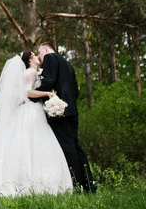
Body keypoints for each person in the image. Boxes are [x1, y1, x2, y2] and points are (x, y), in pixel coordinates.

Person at [0, 51, 73, 196]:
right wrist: (47, 94)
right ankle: (33, 183)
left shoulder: (29, 72)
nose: (37, 57)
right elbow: (27, 92)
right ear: (30, 60)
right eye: (34, 55)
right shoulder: (31, 72)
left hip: (26, 109)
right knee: (34, 143)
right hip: (30, 111)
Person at [35, 42, 97, 193]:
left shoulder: (50, 57)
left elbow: (49, 81)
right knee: (76, 147)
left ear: (45, 49)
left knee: (67, 149)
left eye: (39, 53)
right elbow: (75, 91)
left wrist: (33, 93)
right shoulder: (68, 64)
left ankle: (76, 185)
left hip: (59, 112)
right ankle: (89, 185)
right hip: (71, 111)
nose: (39, 57)